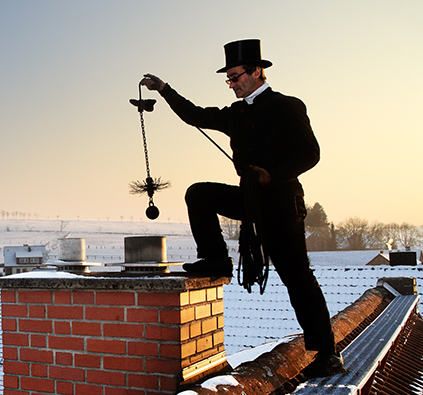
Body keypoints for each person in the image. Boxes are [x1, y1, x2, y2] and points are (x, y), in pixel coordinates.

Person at [140, 39, 344, 377]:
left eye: (236, 77)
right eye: (229, 79)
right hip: (249, 199)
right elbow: (195, 115)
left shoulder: (287, 106)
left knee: (296, 276)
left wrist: (272, 174)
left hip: (281, 203)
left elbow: (310, 153)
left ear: (257, 72)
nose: (232, 84)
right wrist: (163, 88)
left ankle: (327, 352)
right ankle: (216, 259)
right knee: (199, 194)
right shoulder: (235, 114)